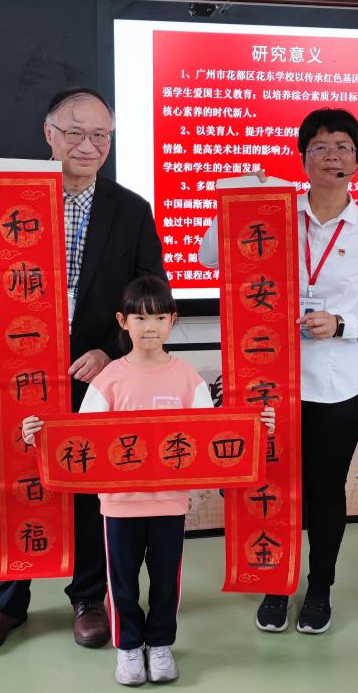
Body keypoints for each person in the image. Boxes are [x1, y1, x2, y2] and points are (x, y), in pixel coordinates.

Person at [0, 87, 166, 656]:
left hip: (90, 372)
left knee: (87, 483)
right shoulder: (6, 194)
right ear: (49, 134)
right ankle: (4, 601)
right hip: (16, 368)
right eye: (76, 133)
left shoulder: (130, 209)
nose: (89, 146)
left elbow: (151, 294)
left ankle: (88, 597)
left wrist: (111, 351)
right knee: (15, 477)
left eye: (101, 135)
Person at [199, 107, 358, 636]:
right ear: (303, 157)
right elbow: (208, 258)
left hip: (335, 387)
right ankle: (276, 582)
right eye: (320, 146)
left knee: (325, 492)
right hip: (267, 381)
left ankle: (320, 587)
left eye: (342, 146)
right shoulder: (273, 212)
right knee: (271, 485)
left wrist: (342, 323)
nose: (332, 155)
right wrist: (237, 196)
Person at [22, 277, 276, 686]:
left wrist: (257, 427)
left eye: (159, 317)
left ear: (173, 320)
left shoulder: (188, 378)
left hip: (169, 502)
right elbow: (80, 438)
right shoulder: (108, 379)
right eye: (139, 318)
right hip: (119, 504)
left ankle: (160, 644)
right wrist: (39, 433)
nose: (150, 326)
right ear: (123, 322)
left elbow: (211, 435)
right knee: (121, 582)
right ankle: (127, 647)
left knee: (165, 581)